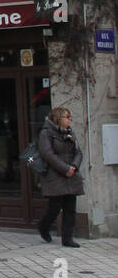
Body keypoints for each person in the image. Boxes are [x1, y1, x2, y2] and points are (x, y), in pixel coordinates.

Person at [36, 106, 84, 247]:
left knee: (70, 207)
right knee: (54, 207)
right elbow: (47, 154)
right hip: (55, 175)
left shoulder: (70, 132)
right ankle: (43, 226)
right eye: (66, 117)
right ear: (58, 118)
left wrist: (74, 167)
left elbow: (78, 152)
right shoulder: (46, 133)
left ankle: (67, 238)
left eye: (70, 117)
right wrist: (65, 169)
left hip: (70, 174)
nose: (70, 119)